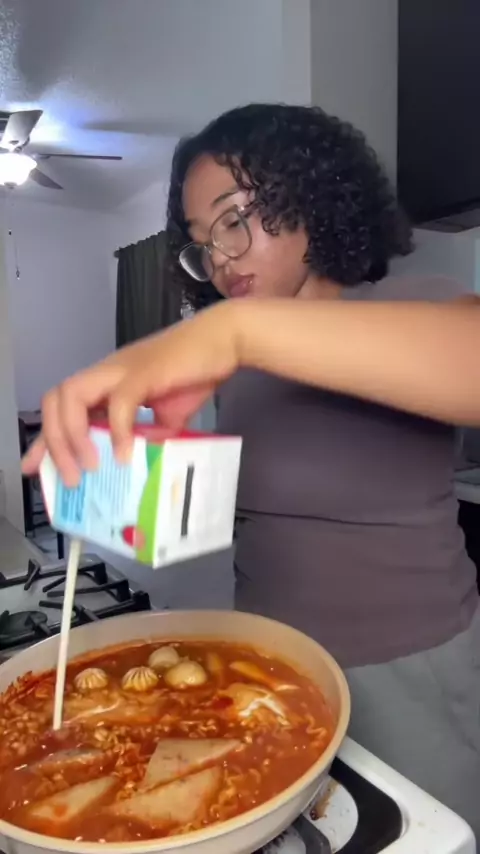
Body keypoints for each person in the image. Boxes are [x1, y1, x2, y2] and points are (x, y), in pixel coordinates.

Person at [23, 104, 480, 837]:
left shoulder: (409, 304)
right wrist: (121, 481)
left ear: (312, 196)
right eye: (202, 241)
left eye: (234, 218)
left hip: (409, 671)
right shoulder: (235, 369)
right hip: (268, 664)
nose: (221, 257)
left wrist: (231, 331)